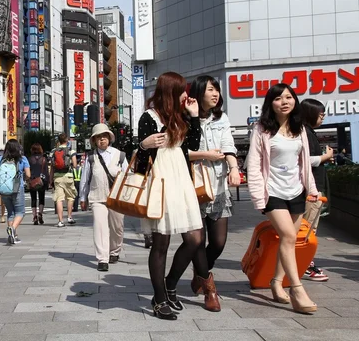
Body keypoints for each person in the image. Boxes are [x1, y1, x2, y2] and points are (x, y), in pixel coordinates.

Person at [136, 72, 220, 320]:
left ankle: (171, 284)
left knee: (195, 239)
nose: (187, 95)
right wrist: (145, 144)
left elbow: (190, 148)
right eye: (182, 91)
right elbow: (141, 164)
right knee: (161, 243)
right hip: (161, 181)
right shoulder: (149, 117)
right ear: (171, 92)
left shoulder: (182, 117)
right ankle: (160, 298)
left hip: (181, 181)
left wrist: (194, 118)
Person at [247, 83, 319, 314]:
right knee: (288, 235)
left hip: (296, 191)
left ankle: (276, 282)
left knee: (288, 240)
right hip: (272, 193)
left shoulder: (300, 128)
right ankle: (297, 289)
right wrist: (259, 197)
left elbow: (304, 162)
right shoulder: (262, 129)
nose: (285, 102)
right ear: (271, 103)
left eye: (289, 97)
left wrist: (312, 188)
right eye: (278, 98)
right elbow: (254, 164)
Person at [187, 76, 241, 293]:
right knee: (197, 242)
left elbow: (228, 144)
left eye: (216, 89)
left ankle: (201, 273)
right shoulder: (186, 119)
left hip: (218, 185)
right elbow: (181, 152)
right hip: (193, 187)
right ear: (199, 93)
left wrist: (234, 168)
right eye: (210, 89)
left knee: (218, 242)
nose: (215, 93)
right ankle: (208, 286)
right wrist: (205, 154)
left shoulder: (221, 118)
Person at [79, 123, 127, 271]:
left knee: (117, 227)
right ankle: (102, 259)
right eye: (98, 137)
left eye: (104, 136)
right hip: (97, 197)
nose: (102, 140)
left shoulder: (119, 155)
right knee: (100, 227)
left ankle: (114, 251)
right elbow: (85, 178)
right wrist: (82, 197)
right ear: (94, 140)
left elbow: (127, 176)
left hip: (116, 198)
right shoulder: (91, 158)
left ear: (109, 138)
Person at [300, 99, 332, 282]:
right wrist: (324, 157)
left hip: (313, 189)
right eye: (320, 114)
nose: (323, 117)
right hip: (311, 190)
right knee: (308, 228)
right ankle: (305, 264)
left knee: (309, 228)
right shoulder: (305, 132)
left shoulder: (307, 131)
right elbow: (305, 160)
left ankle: (304, 262)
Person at [0, 139, 30, 244]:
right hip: (16, 188)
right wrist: (24, 180)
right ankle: (13, 229)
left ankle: (13, 236)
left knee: (10, 212)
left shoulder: (1, 159)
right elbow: (28, 175)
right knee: (20, 212)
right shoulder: (22, 159)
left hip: (4, 189)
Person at [50, 133, 78, 227]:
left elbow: (52, 167)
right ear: (67, 140)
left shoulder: (53, 151)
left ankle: (60, 221)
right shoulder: (70, 150)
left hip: (57, 177)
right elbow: (74, 165)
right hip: (68, 176)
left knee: (59, 199)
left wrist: (51, 180)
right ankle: (69, 217)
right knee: (70, 197)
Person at [28, 143, 49, 225]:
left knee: (33, 199)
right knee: (41, 198)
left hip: (32, 180)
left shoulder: (30, 159)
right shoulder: (43, 159)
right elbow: (46, 172)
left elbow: (27, 171)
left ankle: (34, 216)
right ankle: (40, 213)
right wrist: (47, 182)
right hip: (41, 181)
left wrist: (28, 180)